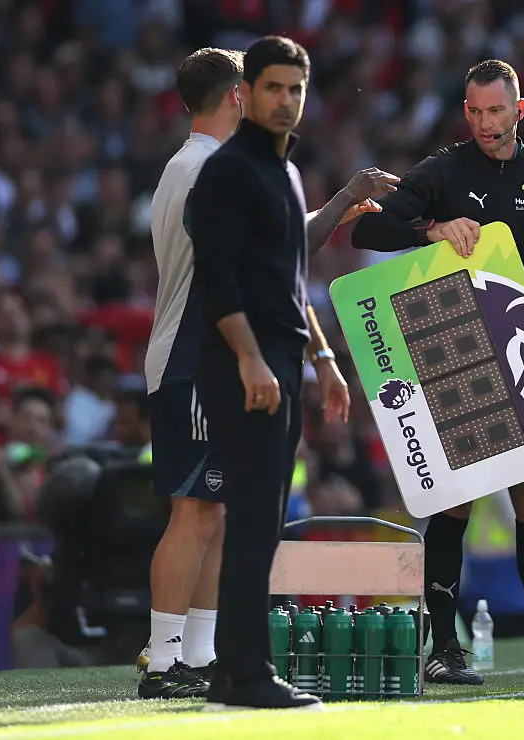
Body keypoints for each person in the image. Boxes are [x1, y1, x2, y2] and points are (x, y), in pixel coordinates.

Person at [139, 45, 396, 702]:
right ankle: (164, 657)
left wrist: (337, 204)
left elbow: (277, 254)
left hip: (210, 352)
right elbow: (244, 265)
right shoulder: (207, 168)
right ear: (239, 94)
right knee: (195, 511)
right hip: (198, 353)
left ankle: (199, 653)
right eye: (266, 88)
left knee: (218, 513)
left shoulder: (211, 166)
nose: (281, 101)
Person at [352, 59, 524, 685]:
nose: (485, 122)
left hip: (522, 349)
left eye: (496, 110)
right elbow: (369, 226)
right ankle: (444, 648)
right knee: (455, 502)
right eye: (474, 111)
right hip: (454, 348)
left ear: (518, 110)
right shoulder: (443, 171)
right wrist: (431, 227)